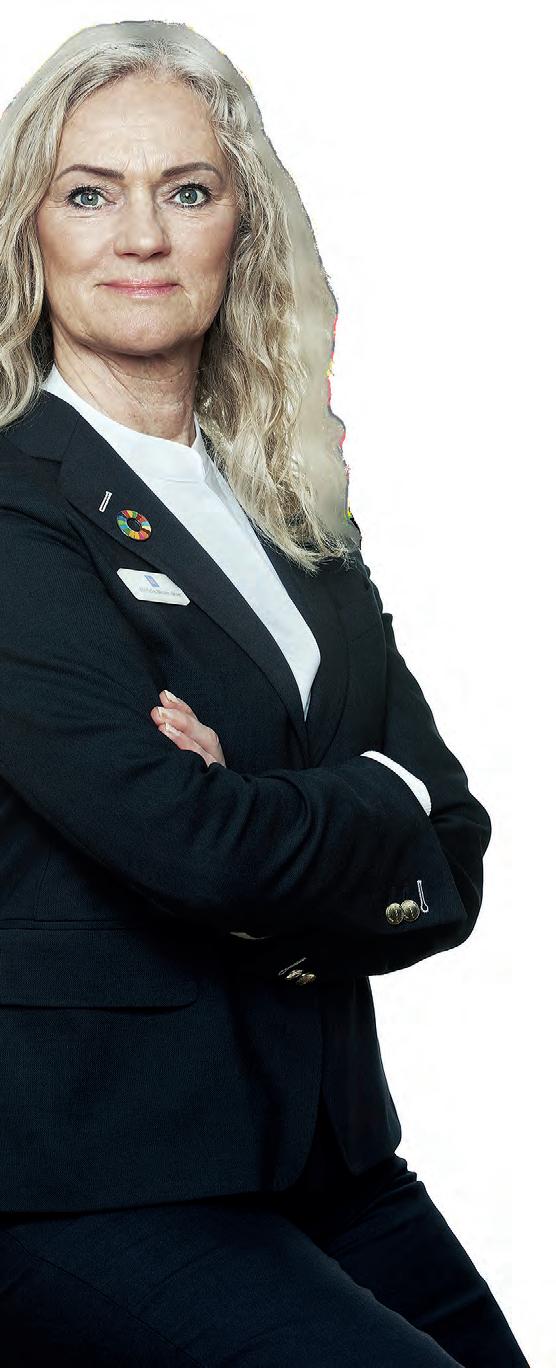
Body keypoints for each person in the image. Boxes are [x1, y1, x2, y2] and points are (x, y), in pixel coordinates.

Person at [0, 18, 529, 1367]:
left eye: (187, 190)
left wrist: (273, 810)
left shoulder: (294, 510)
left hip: (327, 1146)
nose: (142, 236)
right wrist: (366, 803)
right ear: (29, 231)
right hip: (98, 1176)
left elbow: (455, 847)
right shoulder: (12, 506)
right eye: (88, 193)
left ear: (242, 226)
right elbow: (186, 841)